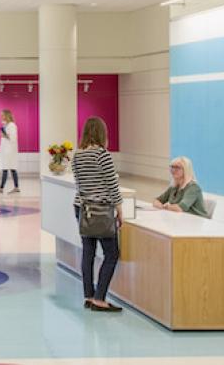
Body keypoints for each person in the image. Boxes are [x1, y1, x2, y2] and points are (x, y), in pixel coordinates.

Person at [72, 116, 123, 313]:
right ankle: (100, 298)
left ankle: (88, 295)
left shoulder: (77, 155)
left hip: (82, 208)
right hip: (101, 210)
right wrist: (119, 210)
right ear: (102, 133)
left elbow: (80, 184)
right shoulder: (102, 155)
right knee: (111, 254)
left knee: (88, 252)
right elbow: (112, 185)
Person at [0, 109, 20, 194]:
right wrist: (3, 134)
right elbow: (6, 137)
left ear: (7, 115)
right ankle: (15, 187)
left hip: (9, 151)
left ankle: (2, 188)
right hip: (5, 150)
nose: (1, 117)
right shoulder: (6, 125)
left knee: (9, 168)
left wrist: (4, 135)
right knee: (10, 168)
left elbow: (13, 138)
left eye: (3, 115)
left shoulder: (12, 125)